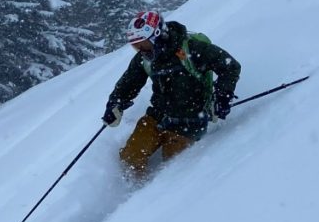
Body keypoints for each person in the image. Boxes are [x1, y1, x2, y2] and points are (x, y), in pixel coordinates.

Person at [102, 10, 241, 178]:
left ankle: (162, 199)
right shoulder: (145, 58)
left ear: (157, 35)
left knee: (173, 170)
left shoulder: (191, 49)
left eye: (143, 44)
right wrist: (114, 104)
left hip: (190, 121)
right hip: (157, 117)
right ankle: (136, 193)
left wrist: (222, 97)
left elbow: (230, 66)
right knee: (130, 158)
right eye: (135, 45)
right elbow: (128, 83)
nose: (140, 50)